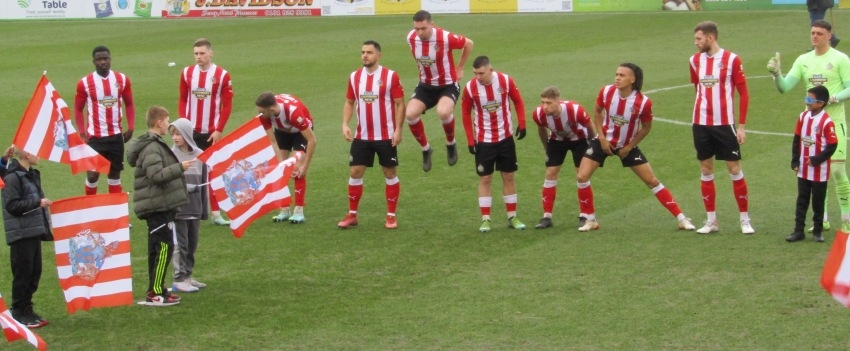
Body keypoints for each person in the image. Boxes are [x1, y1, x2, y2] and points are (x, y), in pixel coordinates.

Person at [576, 63, 696, 232]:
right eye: (616, 74)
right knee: (582, 176)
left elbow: (646, 127)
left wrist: (629, 147)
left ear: (632, 79)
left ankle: (682, 219)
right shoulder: (606, 91)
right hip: (603, 141)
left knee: (652, 181)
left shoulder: (643, 102)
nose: (617, 77)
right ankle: (590, 219)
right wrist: (602, 138)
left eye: (622, 75)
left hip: (627, 145)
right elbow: (597, 112)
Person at [769, 19, 850, 231]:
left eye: (819, 33)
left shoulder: (840, 59)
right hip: (811, 127)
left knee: (838, 171)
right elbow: (785, 88)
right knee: (814, 172)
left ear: (829, 36)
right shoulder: (803, 60)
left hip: (834, 122)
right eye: (812, 33)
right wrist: (777, 75)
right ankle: (821, 219)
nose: (814, 36)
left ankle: (847, 219)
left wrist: (834, 98)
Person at [690, 21, 754, 235]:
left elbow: (744, 94)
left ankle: (745, 220)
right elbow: (696, 89)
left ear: (710, 38)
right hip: (700, 124)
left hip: (724, 125)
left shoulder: (732, 59)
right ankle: (711, 221)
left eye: (699, 38)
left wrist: (742, 126)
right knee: (706, 170)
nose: (696, 43)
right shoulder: (694, 60)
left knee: (734, 169)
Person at [126, 106, 192, 307]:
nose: (169, 124)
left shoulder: (152, 144)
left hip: (157, 204)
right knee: (164, 247)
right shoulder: (152, 147)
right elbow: (156, 176)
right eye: (167, 120)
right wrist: (179, 168)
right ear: (159, 122)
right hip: (156, 206)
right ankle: (155, 292)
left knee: (158, 248)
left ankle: (158, 289)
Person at [338, 40, 406, 229]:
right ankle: (352, 215)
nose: (365, 55)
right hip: (362, 136)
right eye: (362, 52)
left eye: (369, 52)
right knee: (355, 171)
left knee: (389, 172)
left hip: (386, 135)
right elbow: (349, 102)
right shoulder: (354, 77)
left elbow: (400, 103)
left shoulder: (390, 76)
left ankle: (391, 216)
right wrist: (345, 124)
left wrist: (399, 129)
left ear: (378, 55)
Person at [460, 56, 527, 232]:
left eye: (481, 73)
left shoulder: (505, 80)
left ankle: (512, 217)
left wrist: (523, 122)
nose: (478, 77)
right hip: (484, 140)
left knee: (508, 176)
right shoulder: (470, 88)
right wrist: (470, 139)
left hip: (505, 138)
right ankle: (485, 219)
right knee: (485, 178)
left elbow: (518, 100)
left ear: (490, 70)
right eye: (475, 73)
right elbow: (465, 113)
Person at [405, 10, 474, 172]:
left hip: (448, 84)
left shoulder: (445, 37)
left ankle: (451, 143)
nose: (420, 32)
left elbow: (469, 43)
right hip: (425, 85)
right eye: (417, 29)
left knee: (443, 112)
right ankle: (426, 149)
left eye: (423, 28)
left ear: (431, 24)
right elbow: (417, 56)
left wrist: (460, 67)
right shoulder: (411, 38)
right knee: (410, 115)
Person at [179, 38, 233, 226]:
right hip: (190, 133)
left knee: (213, 172)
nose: (199, 57)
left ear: (211, 53)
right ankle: (187, 211)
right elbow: (183, 99)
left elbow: (227, 106)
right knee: (188, 171)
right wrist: (182, 126)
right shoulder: (187, 73)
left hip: (210, 132)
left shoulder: (222, 75)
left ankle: (216, 214)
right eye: (196, 54)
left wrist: (219, 130)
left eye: (202, 53)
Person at [74, 45, 135, 196]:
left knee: (114, 176)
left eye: (105, 58)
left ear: (110, 59)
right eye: (99, 59)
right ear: (93, 61)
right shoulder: (85, 83)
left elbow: (129, 104)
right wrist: (82, 133)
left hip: (116, 137)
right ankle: (90, 208)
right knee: (93, 174)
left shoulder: (122, 80)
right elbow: (77, 109)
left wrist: (131, 127)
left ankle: (114, 214)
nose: (102, 62)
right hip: (95, 138)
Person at [531, 87, 596, 229]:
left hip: (579, 140)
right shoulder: (538, 114)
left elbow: (589, 125)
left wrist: (593, 144)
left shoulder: (575, 110)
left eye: (548, 103)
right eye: (543, 102)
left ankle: (585, 215)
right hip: (556, 140)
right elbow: (541, 128)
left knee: (581, 175)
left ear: (558, 101)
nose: (545, 106)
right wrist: (546, 147)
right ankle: (546, 217)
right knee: (550, 173)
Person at [2, 148, 52, 328]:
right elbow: (12, 205)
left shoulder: (30, 175)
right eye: (36, 151)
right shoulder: (14, 177)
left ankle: (27, 309)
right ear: (27, 155)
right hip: (21, 234)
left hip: (33, 231)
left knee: (34, 272)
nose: (40, 155)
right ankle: (18, 311)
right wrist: (38, 203)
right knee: (23, 274)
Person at [255, 92, 317, 224]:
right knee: (280, 170)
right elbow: (272, 141)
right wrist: (281, 163)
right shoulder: (264, 115)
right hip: (282, 132)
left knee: (296, 169)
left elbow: (312, 140)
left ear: (271, 110)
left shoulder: (293, 113)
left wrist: (305, 166)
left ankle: (299, 211)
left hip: (301, 132)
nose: (259, 114)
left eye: (261, 111)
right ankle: (284, 209)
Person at [788, 86, 837, 243]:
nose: (806, 102)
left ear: (821, 103)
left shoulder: (826, 122)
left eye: (810, 100)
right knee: (802, 200)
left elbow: (832, 145)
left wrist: (816, 159)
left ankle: (817, 231)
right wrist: (795, 160)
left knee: (818, 201)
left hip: (819, 171)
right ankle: (798, 231)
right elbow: (797, 139)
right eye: (806, 99)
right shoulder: (803, 117)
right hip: (803, 169)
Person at [168, 118, 208, 292]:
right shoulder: (171, 155)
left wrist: (204, 209)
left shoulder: (200, 155)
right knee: (180, 244)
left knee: (192, 244)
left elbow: (205, 183)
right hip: (178, 209)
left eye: (178, 133)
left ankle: (188, 275)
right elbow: (169, 181)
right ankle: (179, 278)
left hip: (195, 208)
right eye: (173, 134)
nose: (175, 138)